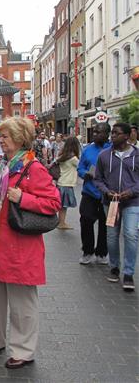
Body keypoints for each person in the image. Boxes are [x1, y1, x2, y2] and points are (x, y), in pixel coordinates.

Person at [0, 117, 61, 369]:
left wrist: (23, 198)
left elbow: (53, 203)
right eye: (0, 136)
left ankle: (23, 350)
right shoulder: (5, 164)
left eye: (6, 136)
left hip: (20, 245)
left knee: (22, 301)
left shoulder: (33, 168)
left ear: (20, 138)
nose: (1, 141)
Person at [94, 123, 139, 292]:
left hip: (132, 202)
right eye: (111, 133)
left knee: (131, 234)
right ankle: (114, 267)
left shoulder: (137, 155)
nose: (112, 136)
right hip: (111, 203)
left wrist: (132, 191)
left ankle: (128, 273)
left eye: (116, 133)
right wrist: (106, 192)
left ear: (127, 136)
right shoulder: (104, 155)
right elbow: (98, 179)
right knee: (112, 236)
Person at [77, 123, 111, 265]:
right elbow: (80, 168)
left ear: (107, 134)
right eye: (94, 132)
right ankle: (88, 251)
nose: (95, 135)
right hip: (90, 192)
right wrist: (86, 174)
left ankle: (102, 252)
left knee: (105, 224)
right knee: (86, 221)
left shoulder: (113, 149)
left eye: (99, 132)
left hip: (107, 194)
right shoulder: (87, 150)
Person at [55, 136, 80, 229]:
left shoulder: (62, 155)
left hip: (61, 181)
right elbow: (80, 165)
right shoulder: (73, 158)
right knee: (64, 205)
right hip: (67, 183)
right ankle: (61, 223)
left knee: (61, 205)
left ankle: (60, 222)